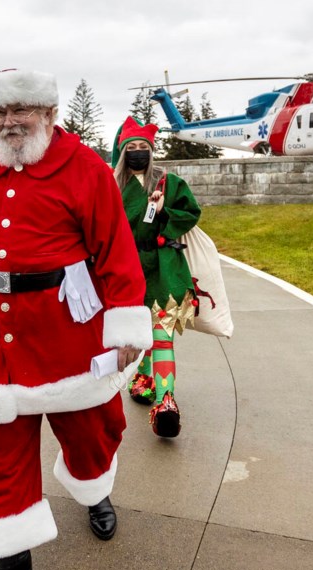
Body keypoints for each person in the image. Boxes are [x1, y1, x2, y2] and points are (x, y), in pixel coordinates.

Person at [0, 68, 152, 570]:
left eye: (20, 111)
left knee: (90, 431)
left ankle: (93, 488)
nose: (8, 123)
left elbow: (116, 251)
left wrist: (124, 326)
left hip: (67, 331)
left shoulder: (85, 170)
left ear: (49, 114)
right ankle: (10, 556)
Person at [112, 116, 202, 437]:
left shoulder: (169, 183)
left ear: (152, 151)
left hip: (164, 268)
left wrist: (164, 211)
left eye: (143, 148)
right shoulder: (112, 187)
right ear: (123, 153)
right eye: (132, 148)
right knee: (141, 335)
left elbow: (191, 213)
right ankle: (145, 378)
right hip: (127, 269)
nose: (138, 153)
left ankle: (166, 403)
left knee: (161, 335)